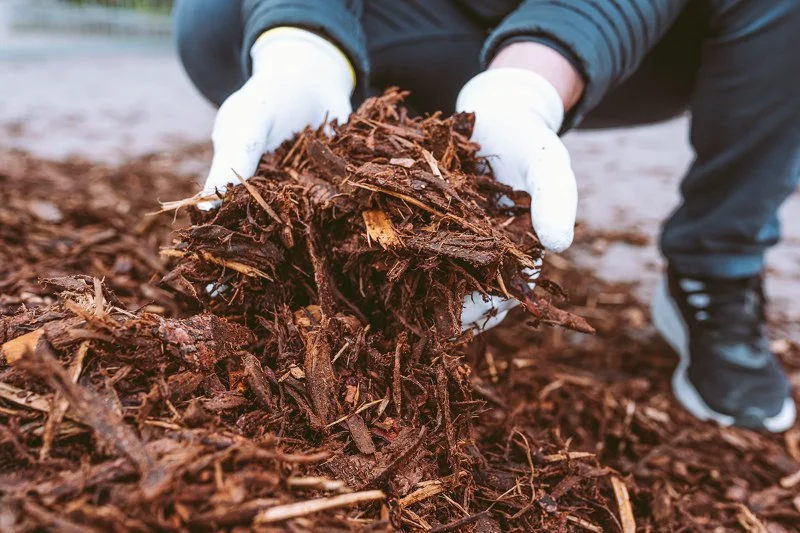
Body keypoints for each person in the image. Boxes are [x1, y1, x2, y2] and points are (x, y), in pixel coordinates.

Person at [172, 0, 800, 432]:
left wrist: (529, 83)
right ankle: (340, 95)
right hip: (416, 18)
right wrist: (302, 46)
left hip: (630, 35)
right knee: (216, 16)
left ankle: (715, 268)